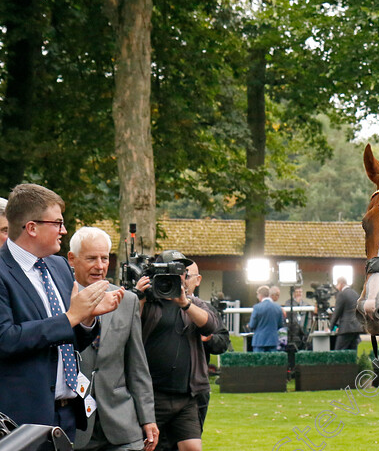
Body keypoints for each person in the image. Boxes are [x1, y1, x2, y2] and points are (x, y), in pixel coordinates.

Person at [0, 184, 121, 441]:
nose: (64, 230)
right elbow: (6, 339)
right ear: (32, 228)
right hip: (20, 422)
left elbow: (71, 339)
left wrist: (88, 318)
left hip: (65, 418)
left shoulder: (58, 267)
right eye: (57, 223)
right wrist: (71, 317)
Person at [68, 227, 159, 451]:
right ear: (72, 259)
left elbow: (137, 366)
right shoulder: (58, 299)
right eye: (91, 258)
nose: (100, 266)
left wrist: (147, 417)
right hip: (73, 425)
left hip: (122, 426)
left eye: (104, 258)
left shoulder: (126, 300)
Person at [140, 249, 219, 451]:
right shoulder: (148, 304)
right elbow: (127, 326)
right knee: (149, 446)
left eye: (181, 271)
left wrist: (184, 303)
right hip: (154, 395)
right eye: (171, 271)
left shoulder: (195, 304)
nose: (178, 276)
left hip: (186, 396)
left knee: (193, 447)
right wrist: (139, 296)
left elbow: (210, 326)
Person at [183, 260, 229, 431]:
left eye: (188, 276)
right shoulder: (159, 307)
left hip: (196, 387)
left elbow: (223, 342)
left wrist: (208, 340)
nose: (184, 280)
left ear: (198, 280)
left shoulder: (206, 310)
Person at [330, 277, 363, 350]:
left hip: (346, 328)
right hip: (357, 327)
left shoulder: (342, 294)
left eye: (337, 284)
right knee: (354, 352)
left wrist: (330, 327)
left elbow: (337, 313)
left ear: (341, 283)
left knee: (339, 352)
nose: (336, 287)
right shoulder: (355, 293)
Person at [249, 285, 285, 353]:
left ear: (260, 295)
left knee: (259, 363)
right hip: (273, 340)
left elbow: (252, 325)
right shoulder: (278, 307)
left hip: (259, 341)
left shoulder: (257, 307)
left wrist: (248, 325)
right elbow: (280, 325)